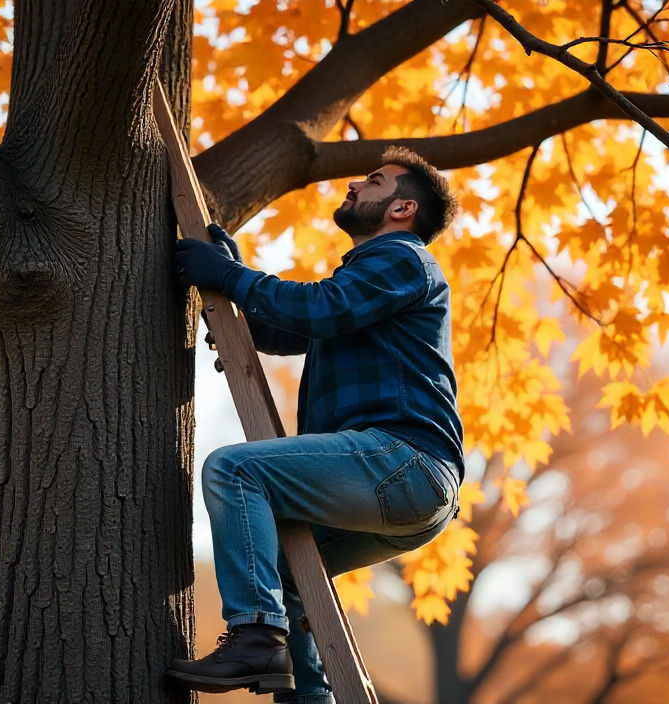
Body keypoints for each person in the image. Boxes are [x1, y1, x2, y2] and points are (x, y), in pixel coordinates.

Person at [165, 147, 465, 703]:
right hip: (402, 490)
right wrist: (235, 304)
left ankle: (255, 636)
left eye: (374, 181)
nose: (356, 184)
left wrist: (231, 275)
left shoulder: (404, 259)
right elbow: (298, 328)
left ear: (402, 208)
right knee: (286, 568)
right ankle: (308, 695)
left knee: (233, 471)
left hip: (403, 461)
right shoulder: (373, 282)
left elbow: (317, 309)